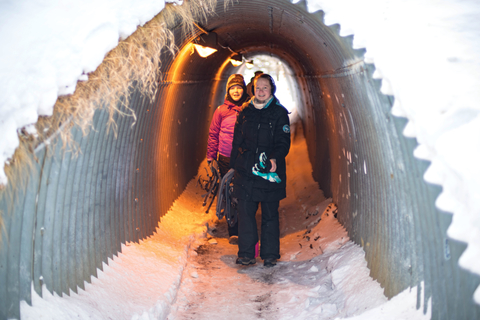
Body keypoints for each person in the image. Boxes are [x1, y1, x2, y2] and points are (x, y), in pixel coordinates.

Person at [229, 74, 291, 267]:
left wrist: (274, 157)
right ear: (253, 90)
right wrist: (234, 164)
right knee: (246, 213)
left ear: (271, 90)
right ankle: (247, 253)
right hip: (247, 171)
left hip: (269, 172)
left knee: (270, 214)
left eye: (265, 87)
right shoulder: (246, 111)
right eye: (258, 88)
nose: (261, 91)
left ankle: (270, 254)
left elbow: (283, 142)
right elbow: (237, 140)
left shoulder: (279, 113)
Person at [206, 74, 249, 244]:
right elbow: (213, 134)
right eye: (233, 88)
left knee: (245, 193)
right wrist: (211, 156)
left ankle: (246, 226)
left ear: (244, 89)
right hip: (225, 158)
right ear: (228, 90)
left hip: (245, 158)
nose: (236, 91)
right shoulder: (221, 111)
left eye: (239, 87)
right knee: (229, 193)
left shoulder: (250, 108)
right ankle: (234, 230)